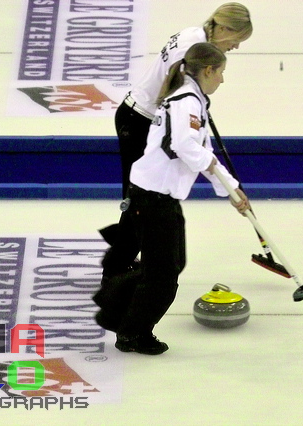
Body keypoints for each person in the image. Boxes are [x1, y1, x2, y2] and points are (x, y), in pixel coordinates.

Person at [93, 42, 250, 355]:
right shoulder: (186, 102)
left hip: (158, 197)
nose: (222, 80)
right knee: (163, 279)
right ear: (208, 70)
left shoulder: (190, 99)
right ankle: (131, 333)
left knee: (173, 264)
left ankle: (116, 301)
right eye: (220, 72)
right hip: (152, 199)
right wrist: (229, 186)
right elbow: (186, 147)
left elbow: (197, 152)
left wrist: (230, 191)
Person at [98, 3, 253, 279]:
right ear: (224, 28)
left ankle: (120, 259)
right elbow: (175, 108)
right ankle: (115, 270)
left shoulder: (195, 37)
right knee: (140, 200)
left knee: (139, 201)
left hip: (142, 116)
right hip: (138, 120)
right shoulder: (190, 51)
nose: (237, 46)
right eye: (237, 39)